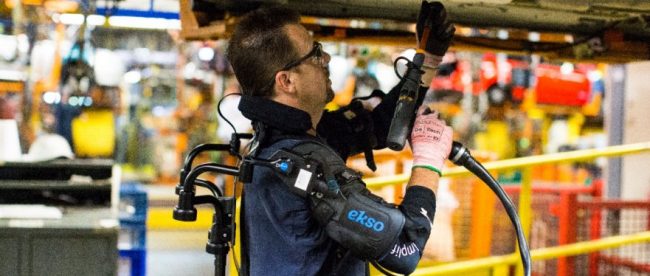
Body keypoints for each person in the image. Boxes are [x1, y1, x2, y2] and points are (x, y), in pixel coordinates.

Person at [227, 2, 455, 275]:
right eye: (314, 54)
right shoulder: (308, 165)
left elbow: (380, 126)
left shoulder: (277, 141)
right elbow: (405, 248)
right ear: (286, 81)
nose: (326, 60)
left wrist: (427, 59)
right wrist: (429, 160)